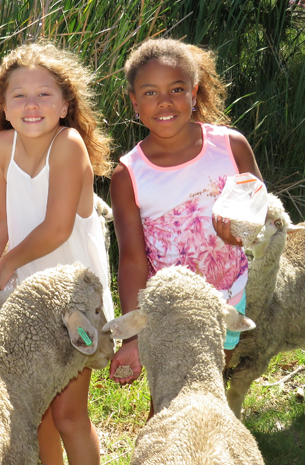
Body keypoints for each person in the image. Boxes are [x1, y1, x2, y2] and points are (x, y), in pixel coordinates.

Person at [0, 42, 114, 465]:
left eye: (44, 94)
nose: (32, 105)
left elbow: (56, 228)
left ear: (65, 105)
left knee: (69, 414)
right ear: (4, 107)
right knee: (38, 413)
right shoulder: (0, 147)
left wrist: (7, 264)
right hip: (28, 296)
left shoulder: (68, 144)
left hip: (74, 297)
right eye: (19, 95)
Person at [108, 38, 262, 412]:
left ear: (194, 92)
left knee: (210, 387)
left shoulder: (231, 146)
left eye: (177, 89)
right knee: (167, 402)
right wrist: (132, 337)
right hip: (170, 307)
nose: (165, 102)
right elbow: (131, 260)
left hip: (231, 294)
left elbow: (262, 209)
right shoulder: (128, 175)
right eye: (150, 92)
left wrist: (244, 228)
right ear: (134, 102)